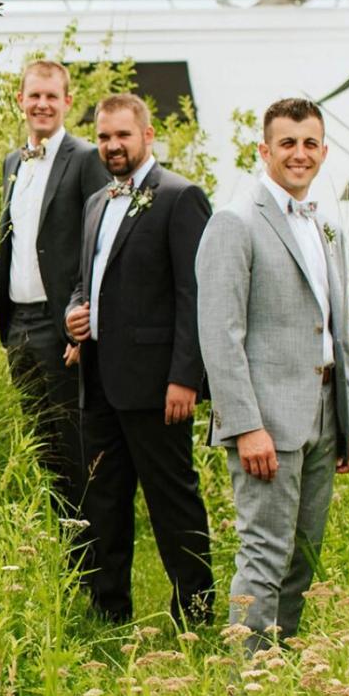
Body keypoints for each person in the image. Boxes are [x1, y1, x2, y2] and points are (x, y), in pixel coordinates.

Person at [196, 97, 349, 649]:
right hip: (266, 421)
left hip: (321, 416)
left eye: (310, 143)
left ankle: (280, 669)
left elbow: (336, 331)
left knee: (302, 553)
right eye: (287, 143)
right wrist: (246, 426)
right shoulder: (235, 221)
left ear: (324, 151)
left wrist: (348, 421)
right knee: (265, 554)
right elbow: (221, 337)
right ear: (264, 149)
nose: (300, 154)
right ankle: (247, 685)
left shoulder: (323, 225)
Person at [65, 93, 214, 625]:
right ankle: (109, 612)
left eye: (122, 135)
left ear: (147, 136)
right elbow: (85, 283)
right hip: (99, 378)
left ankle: (195, 614)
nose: (112, 146)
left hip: (158, 386)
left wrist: (185, 377)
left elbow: (195, 294)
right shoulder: (96, 202)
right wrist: (74, 316)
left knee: (172, 502)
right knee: (104, 501)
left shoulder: (180, 197)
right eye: (104, 137)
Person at [0, 58, 108, 521]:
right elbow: (9, 245)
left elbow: (99, 247)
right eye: (33, 95)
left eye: (51, 96)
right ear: (20, 100)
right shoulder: (13, 163)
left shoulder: (85, 160)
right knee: (43, 448)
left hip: (63, 328)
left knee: (75, 447)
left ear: (67, 103)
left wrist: (85, 323)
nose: (42, 104)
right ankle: (64, 556)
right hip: (16, 326)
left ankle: (94, 564)